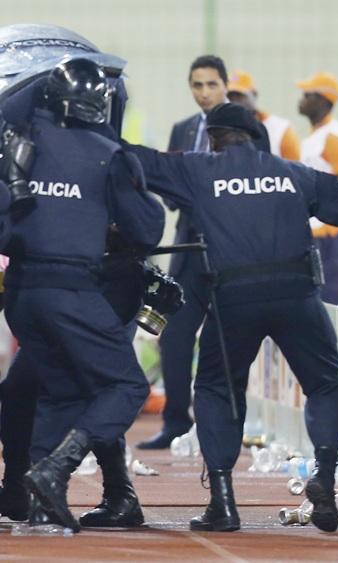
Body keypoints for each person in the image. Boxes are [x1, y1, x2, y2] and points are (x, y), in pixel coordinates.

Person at [122, 102, 338, 533]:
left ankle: (223, 502)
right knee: (326, 384)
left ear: (214, 138)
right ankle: (324, 473)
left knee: (218, 389)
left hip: (233, 298)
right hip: (297, 296)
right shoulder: (293, 173)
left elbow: (139, 161)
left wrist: (86, 136)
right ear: (257, 137)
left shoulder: (198, 169)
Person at [0, 58, 164, 533]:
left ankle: (39, 504)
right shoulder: (106, 152)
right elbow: (147, 228)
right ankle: (57, 468)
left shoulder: (19, 145)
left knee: (60, 391)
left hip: (23, 295)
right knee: (127, 385)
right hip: (73, 289)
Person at [138, 56, 270, 450]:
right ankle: (175, 422)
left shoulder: (250, 129)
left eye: (211, 84)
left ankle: (224, 425)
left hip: (230, 250)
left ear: (225, 85)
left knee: (229, 340)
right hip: (187, 247)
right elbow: (169, 182)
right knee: (174, 336)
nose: (204, 92)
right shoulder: (182, 130)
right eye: (197, 85)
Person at [297, 71, 338, 308]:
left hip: (330, 235)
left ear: (323, 101)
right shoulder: (316, 137)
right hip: (316, 233)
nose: (301, 99)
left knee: (335, 305)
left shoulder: (332, 138)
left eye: (308, 95)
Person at [227, 70, 301, 161]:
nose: (234, 101)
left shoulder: (280, 129)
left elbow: (295, 170)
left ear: (254, 95)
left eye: (239, 96)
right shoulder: (220, 131)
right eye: (230, 96)